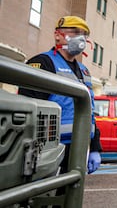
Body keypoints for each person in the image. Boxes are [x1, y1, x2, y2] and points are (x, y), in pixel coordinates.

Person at [19, 16, 102, 175]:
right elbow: (29, 109)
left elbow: (90, 112)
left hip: (80, 147)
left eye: (84, 34)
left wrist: (95, 147)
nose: (81, 38)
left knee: (71, 194)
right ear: (58, 35)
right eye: (75, 32)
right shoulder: (43, 63)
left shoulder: (84, 71)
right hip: (51, 148)